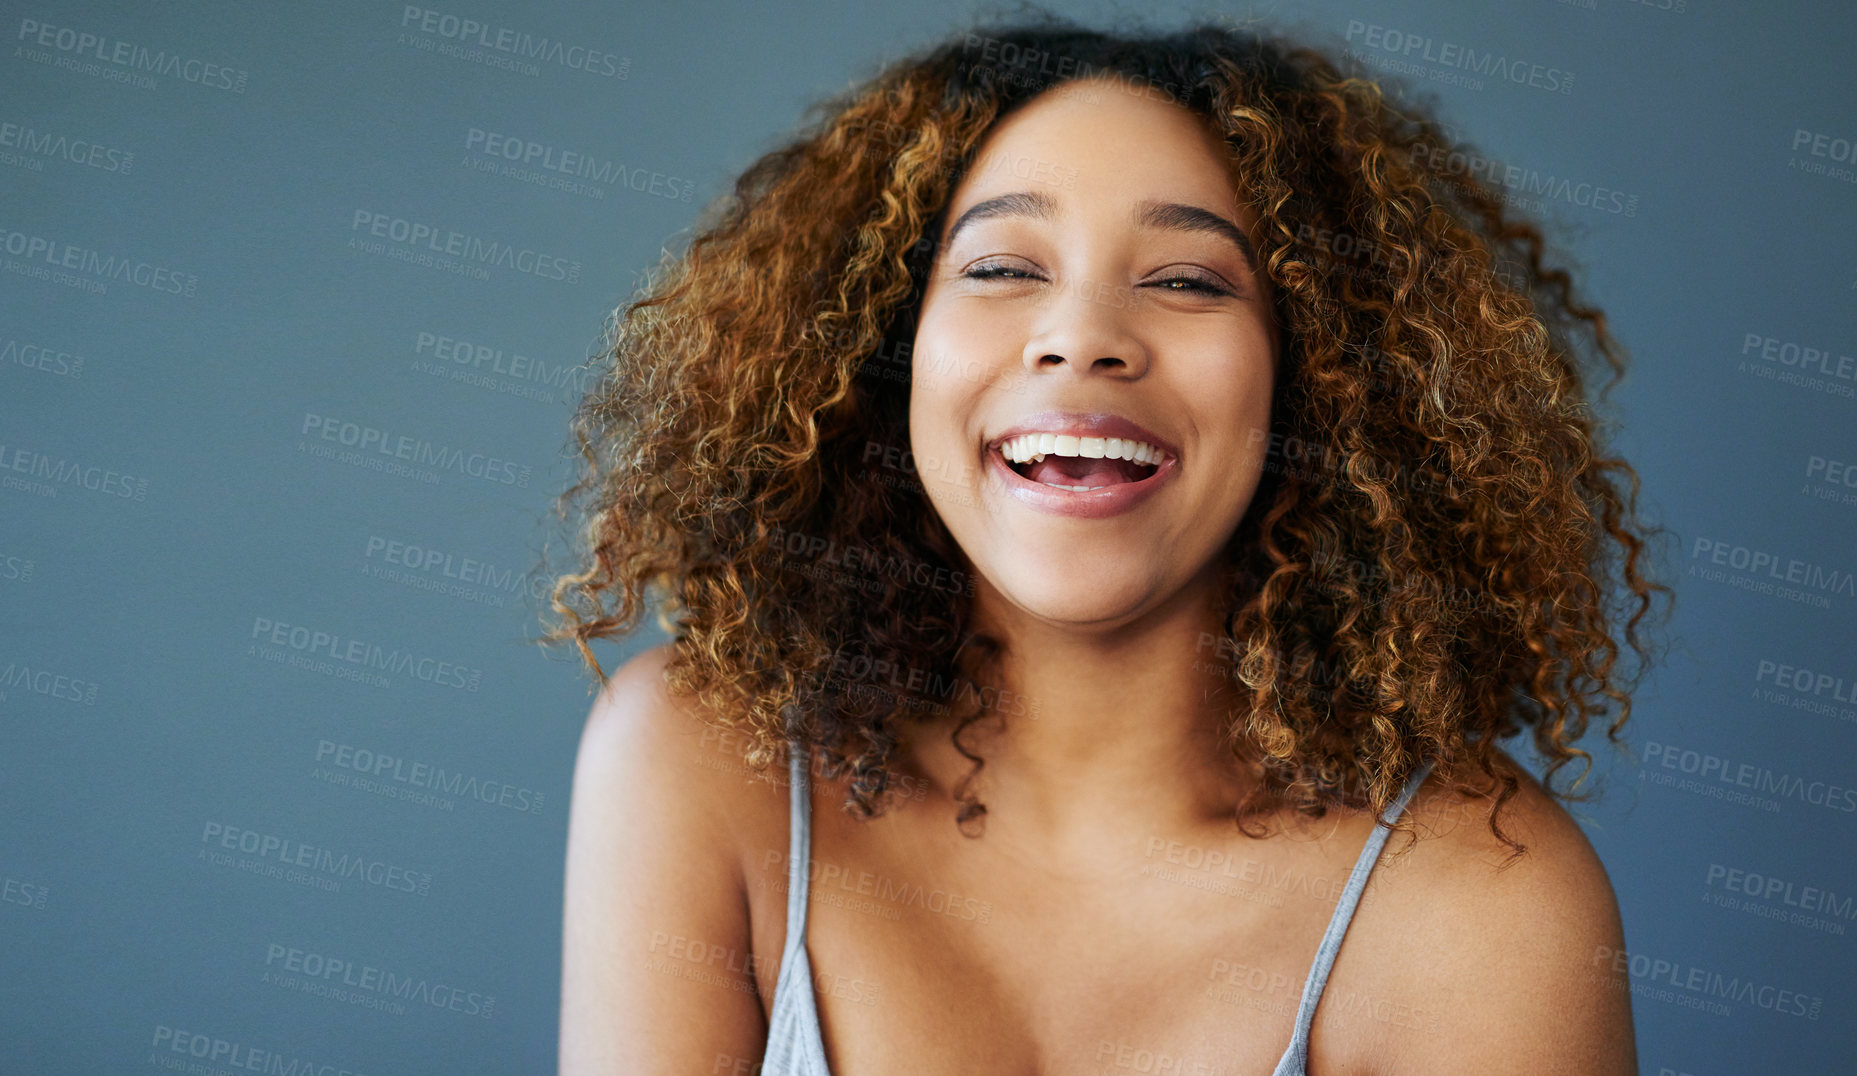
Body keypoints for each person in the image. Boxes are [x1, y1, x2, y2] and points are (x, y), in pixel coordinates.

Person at [547, 13, 1669, 1075]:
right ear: (888, 350)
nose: (1081, 337)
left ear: (1323, 378)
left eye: (1186, 280)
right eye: (1000, 268)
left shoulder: (1486, 896)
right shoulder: (704, 764)